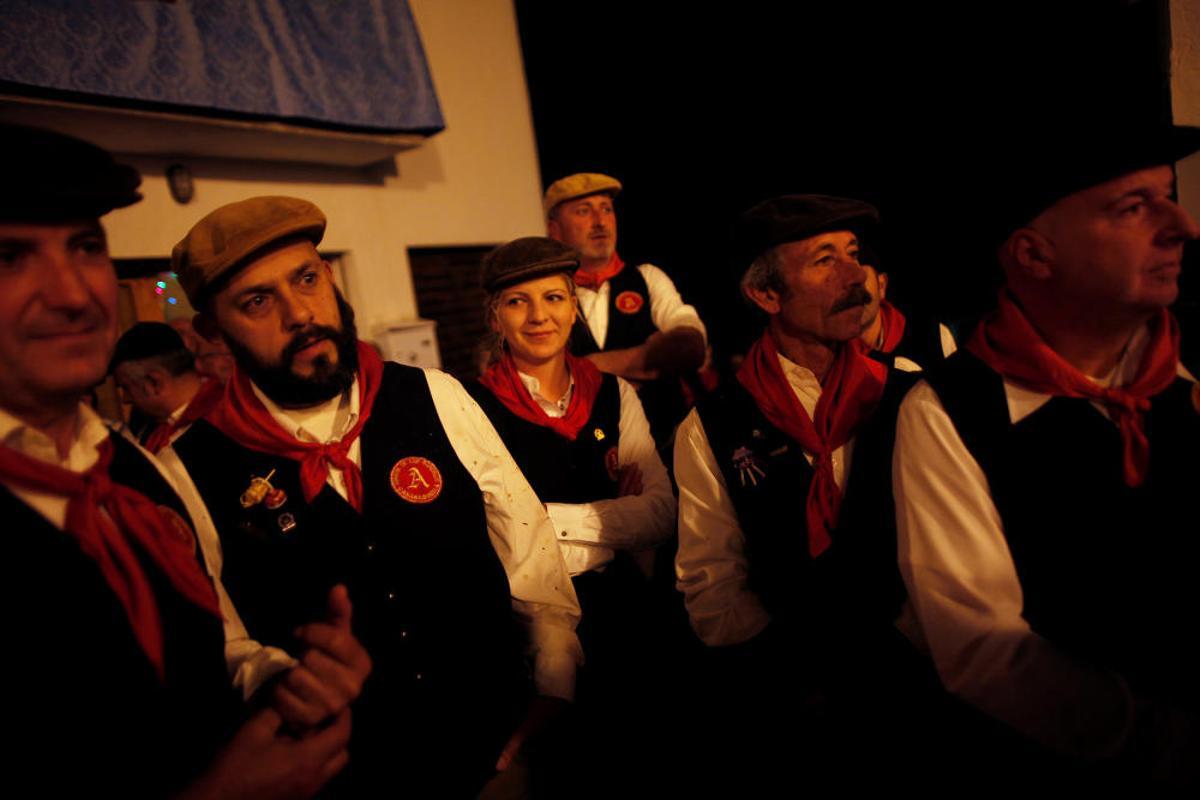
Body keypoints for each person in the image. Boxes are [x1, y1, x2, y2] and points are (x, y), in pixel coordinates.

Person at [166, 196, 583, 796]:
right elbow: (220, 643)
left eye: (306, 279)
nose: (299, 314)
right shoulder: (189, 469)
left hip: (504, 746)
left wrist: (552, 683)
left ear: (329, 277)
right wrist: (285, 680)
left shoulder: (435, 395)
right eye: (257, 301)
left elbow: (527, 544)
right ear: (212, 330)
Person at [0, 124, 370, 798]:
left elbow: (216, 640)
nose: (73, 293)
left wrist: (280, 678)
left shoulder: (136, 468)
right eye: (10, 258)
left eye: (85, 247)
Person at [892, 123, 1200, 785]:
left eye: (1167, 197)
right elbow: (980, 648)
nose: (1183, 225)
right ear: (1033, 255)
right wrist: (1154, 734)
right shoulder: (952, 411)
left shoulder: (1185, 377)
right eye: (1133, 208)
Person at [673, 194, 922, 785]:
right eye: (824, 260)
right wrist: (793, 669)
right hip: (793, 695)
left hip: (919, 672)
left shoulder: (911, 392)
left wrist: (905, 648)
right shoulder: (712, 425)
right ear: (766, 295)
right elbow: (712, 579)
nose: (854, 275)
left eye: (854, 255)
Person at [466, 236, 676, 789]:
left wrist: (536, 519)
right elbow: (486, 538)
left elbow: (661, 514)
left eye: (554, 298)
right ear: (494, 316)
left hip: (628, 620)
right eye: (518, 302)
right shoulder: (470, 408)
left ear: (574, 306)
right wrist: (614, 521)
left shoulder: (615, 393)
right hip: (531, 637)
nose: (540, 316)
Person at [545, 172, 707, 446]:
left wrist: (586, 368)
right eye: (584, 211)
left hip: (669, 439)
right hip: (589, 446)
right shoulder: (549, 294)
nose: (599, 221)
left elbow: (691, 346)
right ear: (554, 230)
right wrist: (648, 358)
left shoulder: (648, 277)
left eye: (606, 209)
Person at [110, 321, 224, 451]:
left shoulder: (226, 419)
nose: (125, 399)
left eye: (126, 388)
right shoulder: (151, 431)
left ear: (154, 383)